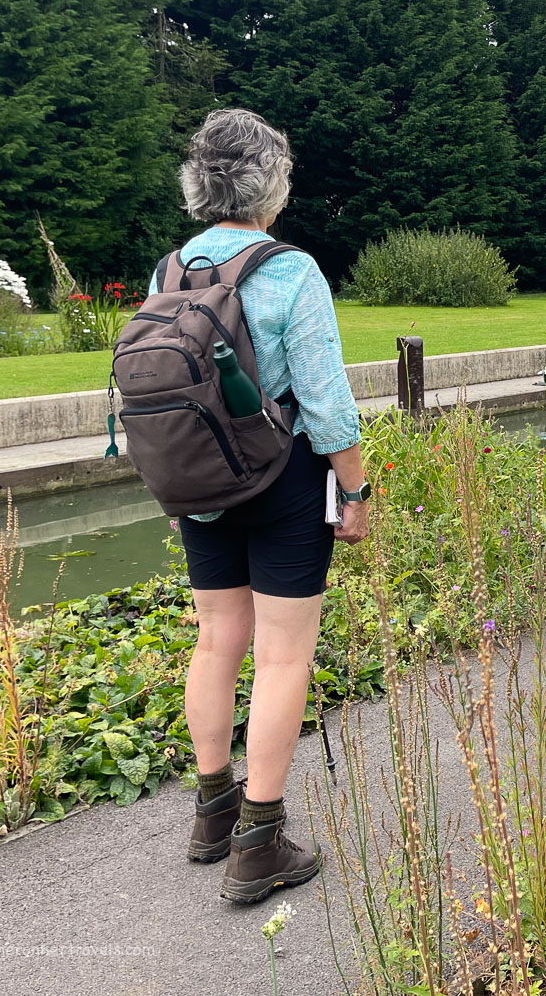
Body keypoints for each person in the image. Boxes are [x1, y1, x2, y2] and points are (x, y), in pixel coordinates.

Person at [164, 109, 370, 904]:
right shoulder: (289, 270)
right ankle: (260, 841)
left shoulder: (170, 272)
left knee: (216, 641)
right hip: (282, 479)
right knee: (282, 657)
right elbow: (326, 404)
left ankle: (211, 815)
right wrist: (353, 491)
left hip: (199, 482)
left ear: (200, 182)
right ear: (272, 183)